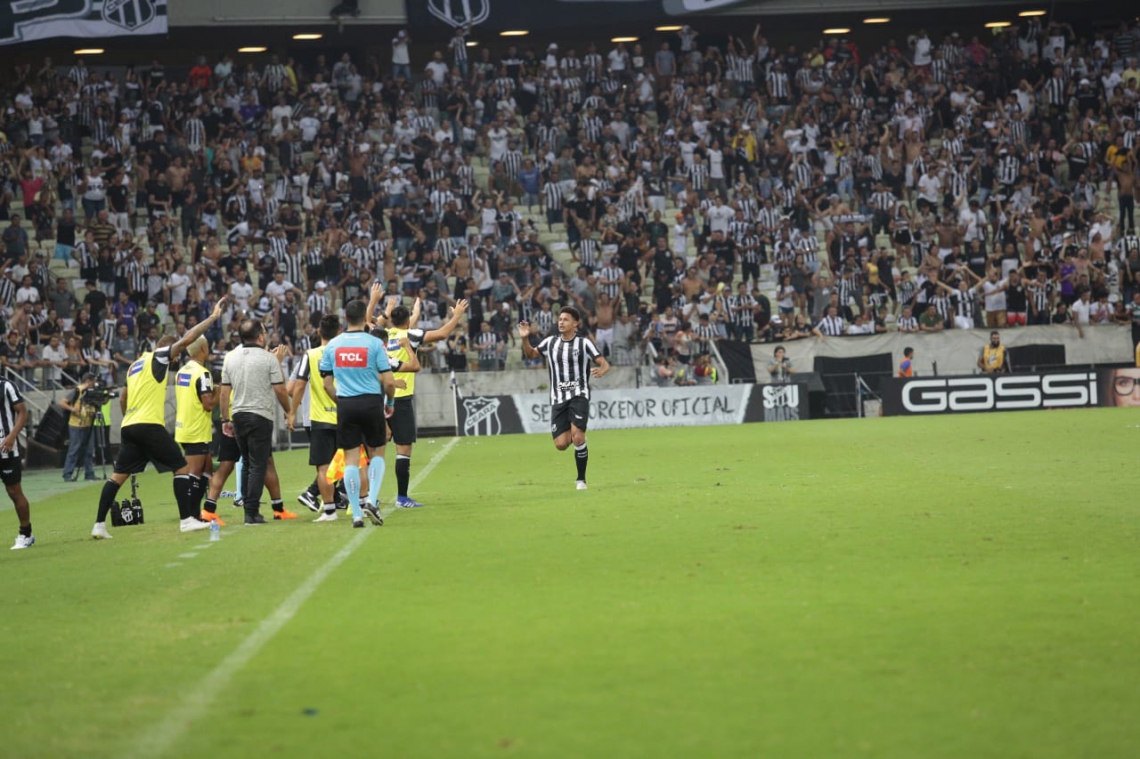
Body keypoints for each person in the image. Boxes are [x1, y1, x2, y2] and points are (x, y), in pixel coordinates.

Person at [91, 298, 228, 539]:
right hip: (148, 425)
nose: (174, 360)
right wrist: (213, 318)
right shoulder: (159, 356)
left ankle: (99, 525)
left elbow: (123, 398)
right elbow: (187, 339)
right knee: (182, 468)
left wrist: (130, 417)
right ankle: (187, 520)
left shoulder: (134, 365)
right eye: (174, 356)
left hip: (129, 425)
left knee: (117, 477)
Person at [319, 298, 397, 528]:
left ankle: (356, 514)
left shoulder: (333, 345)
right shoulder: (375, 344)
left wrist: (341, 401)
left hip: (346, 404)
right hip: (371, 402)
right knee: (377, 452)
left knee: (351, 460)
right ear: (365, 318)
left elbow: (326, 384)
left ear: (345, 318)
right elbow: (389, 382)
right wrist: (390, 402)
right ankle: (371, 500)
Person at [384, 297, 469, 509]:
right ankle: (402, 498)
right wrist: (457, 316)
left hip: (380, 396)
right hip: (400, 399)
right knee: (403, 449)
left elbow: (405, 324)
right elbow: (441, 334)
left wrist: (415, 312)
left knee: (372, 450)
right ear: (407, 322)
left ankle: (361, 497)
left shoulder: (387, 334)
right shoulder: (410, 335)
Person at [519, 306, 610, 490]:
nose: (561, 322)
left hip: (579, 394)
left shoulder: (584, 343)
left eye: (565, 319)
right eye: (560, 319)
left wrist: (602, 370)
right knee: (561, 445)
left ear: (575, 323)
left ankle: (581, 480)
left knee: (577, 437)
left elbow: (604, 362)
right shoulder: (550, 342)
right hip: (558, 398)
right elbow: (531, 354)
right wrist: (525, 338)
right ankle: (578, 438)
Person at [219, 319, 294, 525]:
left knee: (247, 462)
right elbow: (280, 390)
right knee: (258, 465)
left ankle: (247, 508)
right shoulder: (268, 359)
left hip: (238, 414)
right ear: (260, 337)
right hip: (260, 415)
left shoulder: (230, 357)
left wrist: (225, 418)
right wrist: (289, 411)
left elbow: (224, 392)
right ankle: (252, 512)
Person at [174, 336, 221, 525]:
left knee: (207, 470)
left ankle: (197, 514)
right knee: (194, 474)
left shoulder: (182, 371)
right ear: (202, 349)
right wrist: (219, 391)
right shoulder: (203, 373)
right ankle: (191, 516)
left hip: (184, 427)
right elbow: (208, 404)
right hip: (196, 429)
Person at [2, 375, 33, 549]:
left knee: (14, 491)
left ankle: (26, 533)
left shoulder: (6, 386)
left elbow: (22, 411)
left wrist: (12, 436)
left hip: (6, 448)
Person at [58, 372, 98, 482]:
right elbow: (62, 403)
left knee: (89, 450)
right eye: (93, 381)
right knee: (74, 449)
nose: (94, 384)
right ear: (88, 381)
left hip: (88, 423)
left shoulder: (92, 392)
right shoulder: (77, 390)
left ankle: (89, 473)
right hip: (76, 424)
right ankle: (67, 474)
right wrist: (73, 409)